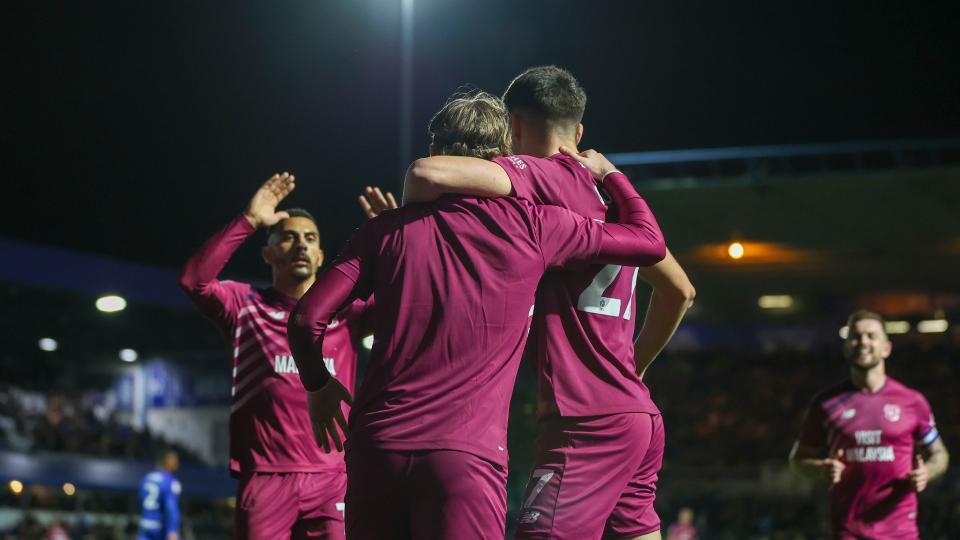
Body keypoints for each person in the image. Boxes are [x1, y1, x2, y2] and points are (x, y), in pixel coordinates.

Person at [287, 91, 666, 540]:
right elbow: (648, 242)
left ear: (435, 150)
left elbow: (306, 318)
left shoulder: (383, 231)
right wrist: (612, 176)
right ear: (502, 156)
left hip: (376, 449)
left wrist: (318, 385)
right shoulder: (539, 226)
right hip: (467, 460)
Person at [402, 66, 693, 539]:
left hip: (584, 422)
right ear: (579, 130)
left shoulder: (540, 175)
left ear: (513, 125)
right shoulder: (613, 198)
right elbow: (680, 290)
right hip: (636, 416)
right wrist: (633, 367)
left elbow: (429, 172)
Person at [178, 176, 373, 539]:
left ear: (319, 257)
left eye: (310, 239)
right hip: (265, 477)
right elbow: (194, 281)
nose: (300, 243)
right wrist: (249, 220)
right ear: (268, 253)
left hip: (332, 479)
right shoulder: (245, 305)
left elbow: (408, 299)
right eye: (289, 236)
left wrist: (397, 242)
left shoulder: (346, 313)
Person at [789, 310, 950, 539]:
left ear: (886, 348)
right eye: (856, 336)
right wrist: (820, 469)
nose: (863, 341)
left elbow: (940, 455)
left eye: (871, 336)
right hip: (848, 530)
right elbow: (797, 461)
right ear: (846, 348)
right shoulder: (825, 403)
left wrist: (927, 472)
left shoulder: (913, 401)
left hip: (899, 532)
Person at [138, 448, 181, 540]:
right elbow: (171, 507)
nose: (177, 464)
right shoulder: (170, 481)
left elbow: (141, 501)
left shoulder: (146, 478)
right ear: (167, 460)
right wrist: (173, 530)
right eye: (175, 460)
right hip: (161, 529)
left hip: (145, 526)